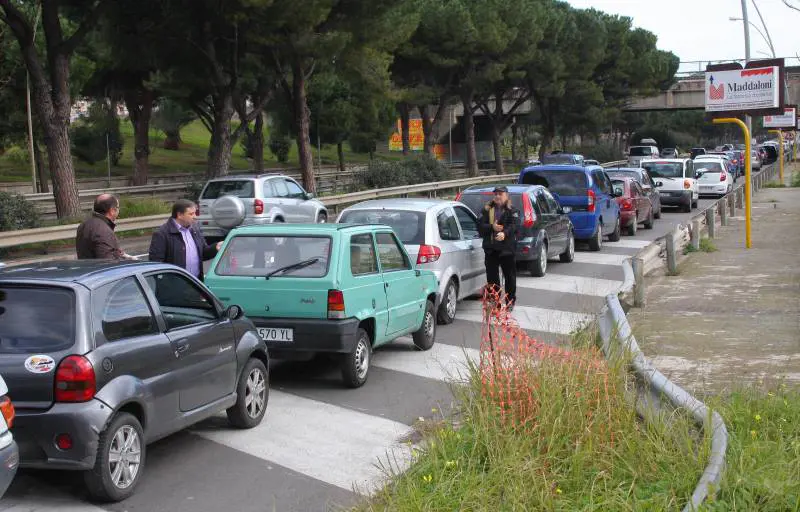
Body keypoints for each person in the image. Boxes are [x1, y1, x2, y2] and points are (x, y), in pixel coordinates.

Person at [148, 199, 222, 281]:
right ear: (179, 215)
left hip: (195, 282)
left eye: (195, 213)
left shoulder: (195, 229)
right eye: (191, 214)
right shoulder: (162, 233)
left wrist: (215, 248)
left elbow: (202, 254)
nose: (195, 217)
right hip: (173, 284)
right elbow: (156, 264)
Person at [477, 186, 519, 310]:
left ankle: (510, 302)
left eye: (500, 194)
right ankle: (495, 302)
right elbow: (480, 226)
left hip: (507, 250)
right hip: (491, 250)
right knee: (492, 279)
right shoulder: (486, 210)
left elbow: (514, 226)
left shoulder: (512, 210)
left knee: (510, 277)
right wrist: (492, 227)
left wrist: (504, 233)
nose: (497, 196)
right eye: (495, 194)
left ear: (506, 195)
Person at [76, 194, 136, 260]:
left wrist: (122, 255)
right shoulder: (104, 231)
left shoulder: (83, 225)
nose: (118, 210)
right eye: (118, 208)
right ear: (112, 211)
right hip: (99, 266)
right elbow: (107, 261)